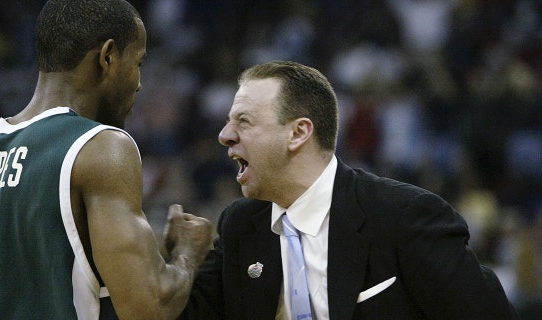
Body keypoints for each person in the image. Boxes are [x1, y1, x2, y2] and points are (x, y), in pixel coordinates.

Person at [0, 0, 212, 319]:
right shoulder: (99, 147)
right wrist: (188, 252)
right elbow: (150, 308)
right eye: (138, 63)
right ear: (106, 57)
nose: (139, 82)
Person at [179, 60, 519, 320]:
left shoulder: (405, 216)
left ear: (298, 133)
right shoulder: (240, 225)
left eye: (244, 121)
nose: (225, 135)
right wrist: (183, 258)